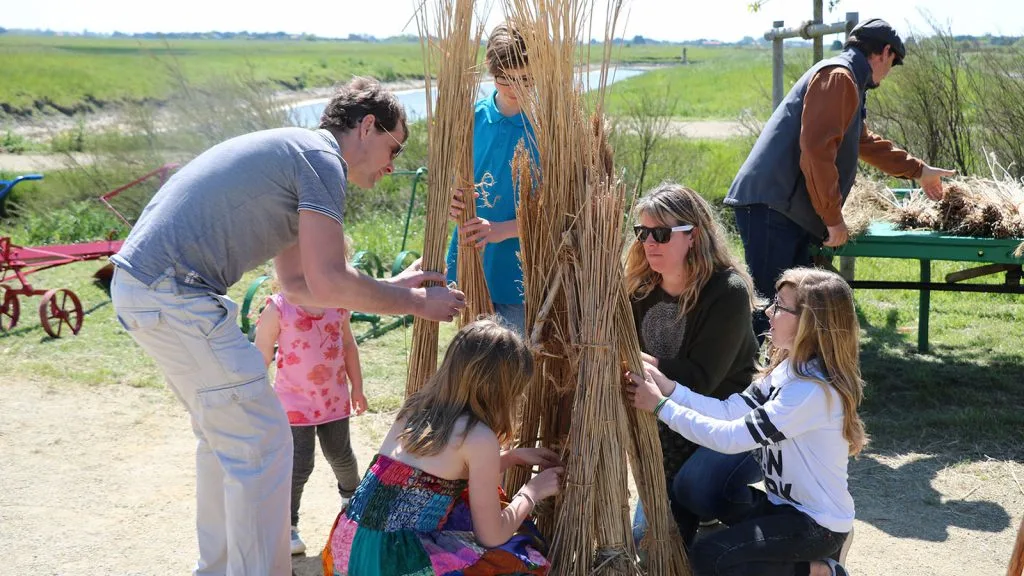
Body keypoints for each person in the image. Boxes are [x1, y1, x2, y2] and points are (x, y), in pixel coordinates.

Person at [109, 76, 466, 576]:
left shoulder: (299, 154)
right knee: (261, 442)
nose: (393, 163)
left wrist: (390, 284)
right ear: (367, 126)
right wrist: (413, 301)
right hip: (173, 291)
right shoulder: (322, 160)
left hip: (149, 289)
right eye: (394, 145)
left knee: (228, 441)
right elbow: (327, 277)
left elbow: (300, 284)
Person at [724, 18, 956, 340]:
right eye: (893, 62)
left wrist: (918, 170)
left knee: (793, 311)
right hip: (773, 208)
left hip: (781, 208)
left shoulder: (848, 80)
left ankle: (787, 382)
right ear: (884, 52)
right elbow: (816, 152)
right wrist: (833, 219)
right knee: (773, 311)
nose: (888, 73)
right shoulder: (839, 77)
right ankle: (753, 385)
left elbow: (862, 141)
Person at [626, 267, 867, 576]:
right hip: (785, 509)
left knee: (709, 557)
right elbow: (728, 411)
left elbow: (731, 437)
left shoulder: (810, 392)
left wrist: (660, 406)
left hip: (816, 525)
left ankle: (821, 570)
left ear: (810, 323)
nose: (768, 311)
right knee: (702, 495)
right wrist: (669, 388)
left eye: (780, 306)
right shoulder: (788, 369)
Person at [323, 317, 563, 575]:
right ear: (503, 391)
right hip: (394, 562)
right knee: (521, 558)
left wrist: (512, 457)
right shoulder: (479, 437)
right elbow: (491, 536)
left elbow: (429, 478)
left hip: (350, 547)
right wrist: (531, 492)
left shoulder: (415, 409)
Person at [624, 182, 762, 546]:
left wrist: (633, 360)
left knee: (696, 487)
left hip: (728, 427)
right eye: (643, 233)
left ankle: (783, 524)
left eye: (662, 233)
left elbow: (699, 380)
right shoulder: (638, 290)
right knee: (647, 544)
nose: (649, 242)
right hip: (666, 432)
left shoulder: (727, 292)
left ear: (693, 236)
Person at [254, 287, 366, 556]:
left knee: (340, 454)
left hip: (333, 399)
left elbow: (348, 345)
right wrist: (257, 395)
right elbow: (262, 351)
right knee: (299, 462)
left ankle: (353, 503)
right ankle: (288, 525)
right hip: (293, 403)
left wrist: (357, 387)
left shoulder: (339, 301)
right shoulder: (279, 307)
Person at [446, 23, 536, 333]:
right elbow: (449, 180)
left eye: (526, 79)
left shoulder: (549, 130)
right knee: (472, 359)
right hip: (471, 262)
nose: (515, 88)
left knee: (512, 365)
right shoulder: (471, 119)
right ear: (490, 70)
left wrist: (502, 230)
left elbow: (559, 212)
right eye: (505, 79)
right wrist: (450, 199)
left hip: (520, 275)